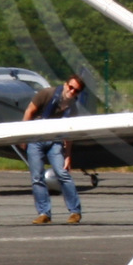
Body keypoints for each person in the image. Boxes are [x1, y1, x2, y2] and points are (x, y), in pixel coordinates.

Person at [23, 74, 86, 224]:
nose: (72, 92)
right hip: (35, 138)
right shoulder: (46, 94)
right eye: (70, 88)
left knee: (62, 173)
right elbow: (29, 112)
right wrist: (23, 137)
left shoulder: (73, 108)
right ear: (65, 85)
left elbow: (69, 132)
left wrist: (68, 155)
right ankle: (44, 213)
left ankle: (75, 212)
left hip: (55, 140)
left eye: (76, 91)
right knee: (37, 177)